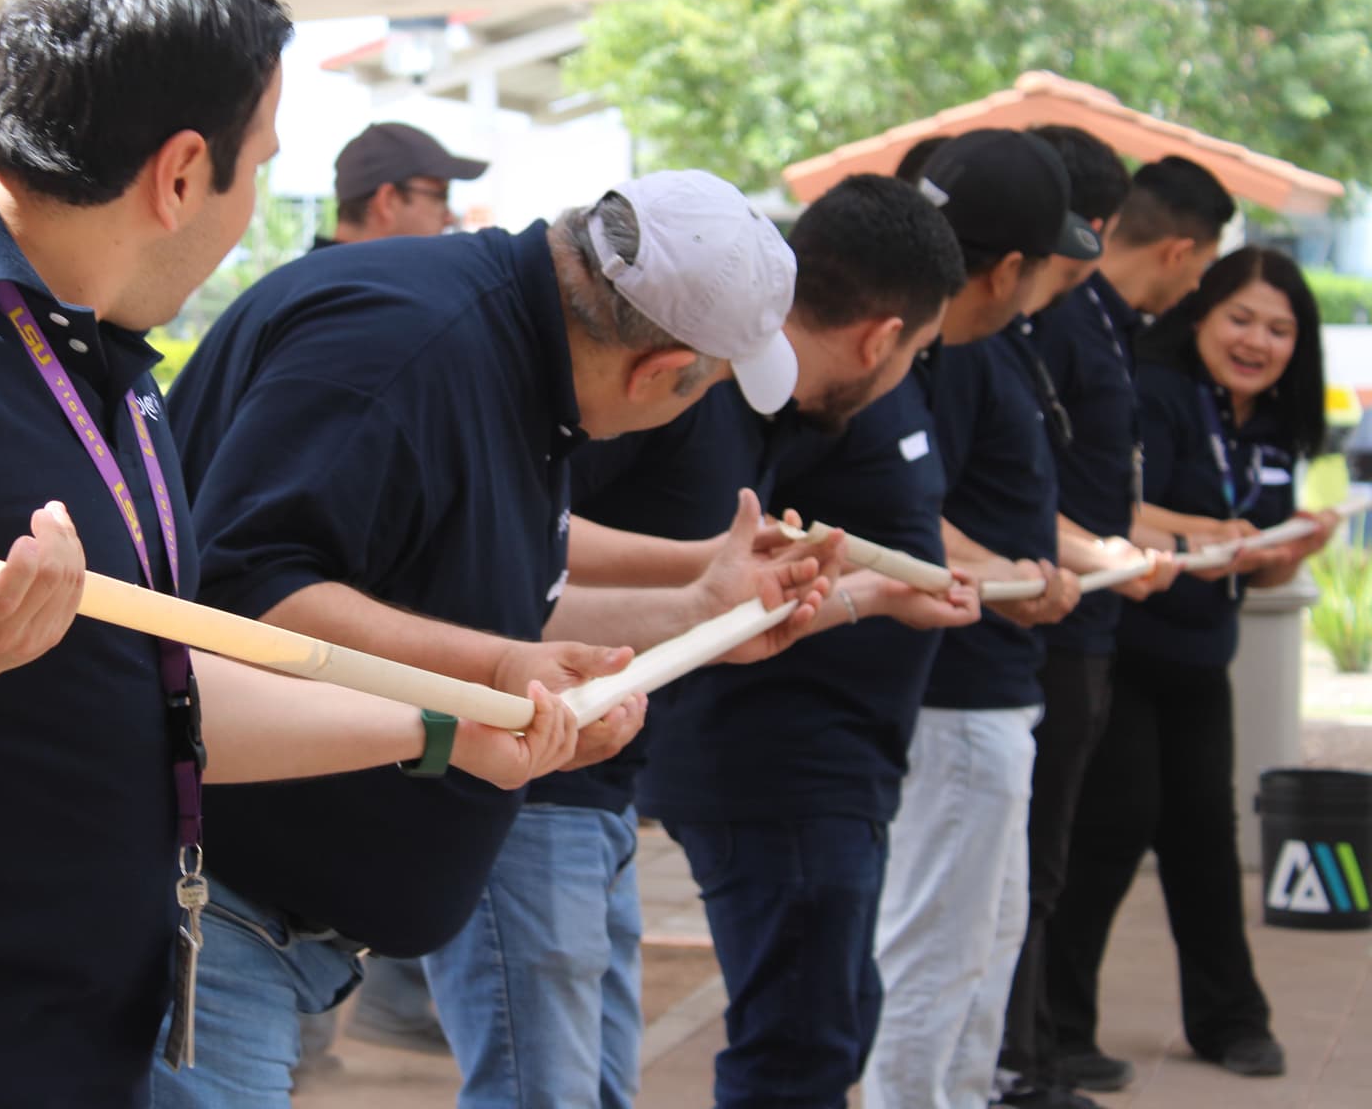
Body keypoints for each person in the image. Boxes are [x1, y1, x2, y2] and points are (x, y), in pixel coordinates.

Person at [0, 0, 582, 1109]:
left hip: (81, 1055)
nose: (254, 207)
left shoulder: (92, 350)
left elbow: (150, 689)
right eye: (258, 166)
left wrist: (438, 727)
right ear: (180, 170)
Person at [155, 169, 837, 1107]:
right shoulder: (408, 350)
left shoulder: (517, 357)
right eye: (704, 391)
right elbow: (245, 599)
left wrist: (697, 611)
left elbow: (493, 601)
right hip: (206, 901)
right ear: (655, 372)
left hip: (267, 919)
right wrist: (498, 668)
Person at [496, 172, 978, 1109]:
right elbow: (522, 539)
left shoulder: (760, 403)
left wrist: (845, 592)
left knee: (597, 1084)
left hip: (602, 773)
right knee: (561, 1088)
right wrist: (705, 567)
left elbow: (701, 591)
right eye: (914, 354)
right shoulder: (676, 381)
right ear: (885, 337)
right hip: (538, 770)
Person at [1047, 247, 1338, 1084]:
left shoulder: (1279, 424)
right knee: (1113, 828)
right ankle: (1059, 1029)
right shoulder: (1153, 390)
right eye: (1240, 319)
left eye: (1280, 329)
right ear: (1201, 313)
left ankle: (1230, 1021)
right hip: (1124, 649)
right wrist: (1216, 536)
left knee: (1206, 838)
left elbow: (1257, 557)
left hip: (1205, 658)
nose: (1257, 341)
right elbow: (1116, 512)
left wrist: (1291, 547)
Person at [997, 135, 1237, 1105]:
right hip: (1045, 622)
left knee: (1043, 858)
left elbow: (1099, 487)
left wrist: (1138, 544)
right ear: (1181, 249)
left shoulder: (1096, 322)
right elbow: (1029, 489)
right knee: (1025, 861)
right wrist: (1095, 555)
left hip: (1088, 620)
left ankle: (1036, 1046)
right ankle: (1019, 1058)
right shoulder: (1048, 322)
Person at [863, 128, 1095, 1109]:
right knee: (934, 954)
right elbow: (895, 517)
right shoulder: (930, 353)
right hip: (954, 699)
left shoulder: (970, 346)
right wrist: (1008, 573)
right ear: (1009, 268)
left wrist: (1073, 559)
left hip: (990, 689)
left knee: (984, 942)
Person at [297, 122, 488, 1066]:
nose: (450, 220)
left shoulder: (375, 307)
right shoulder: (348, 319)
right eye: (436, 197)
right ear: (386, 202)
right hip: (304, 702)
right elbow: (268, 576)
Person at [312, 121, 488, 247]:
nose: (449, 218)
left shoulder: (309, 282)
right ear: (387, 201)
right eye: (441, 196)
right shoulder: (371, 293)